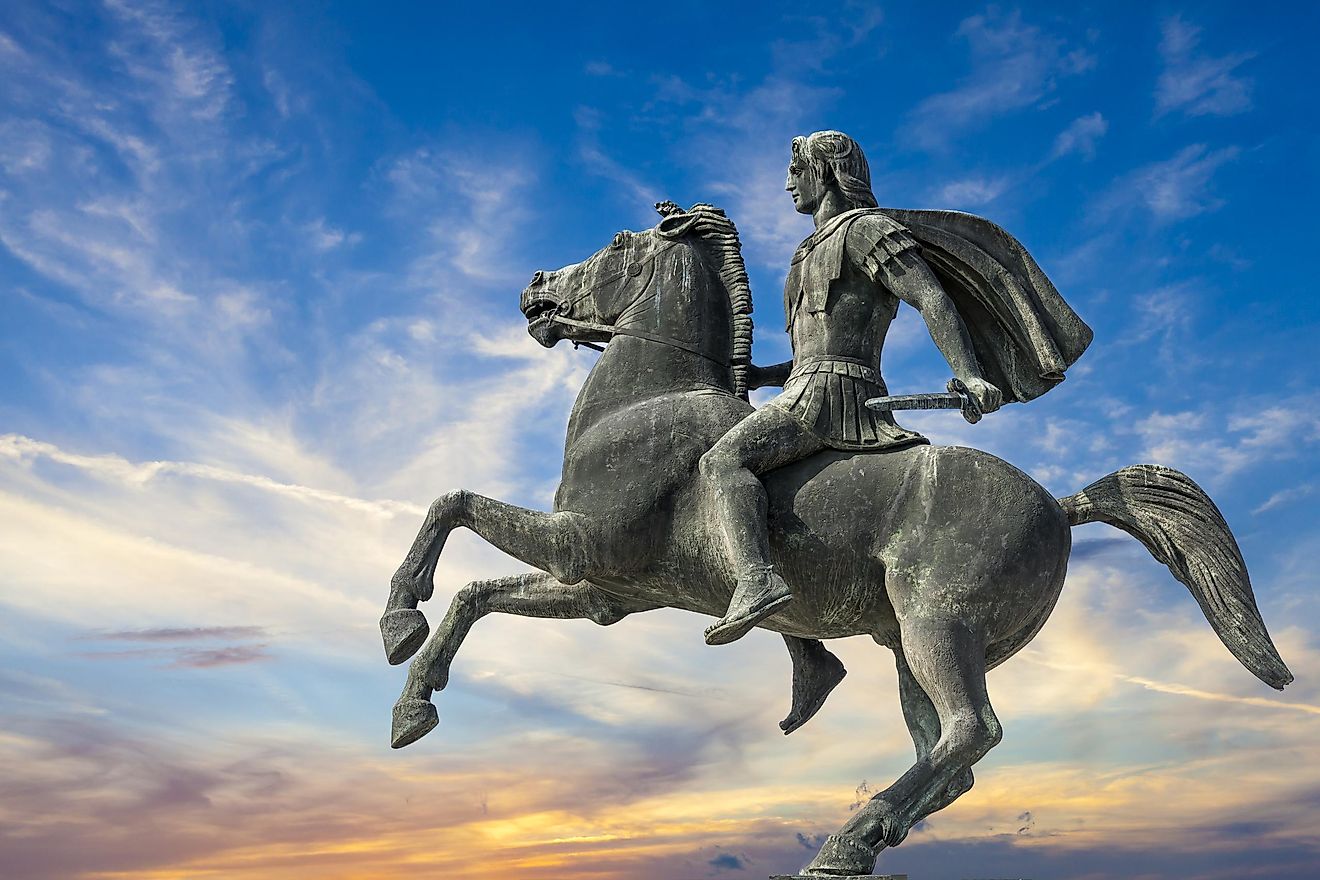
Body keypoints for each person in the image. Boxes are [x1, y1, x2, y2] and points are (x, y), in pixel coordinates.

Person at [700, 130, 1003, 646]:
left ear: (826, 172)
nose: (788, 181)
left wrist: (968, 370)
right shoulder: (804, 252)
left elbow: (930, 297)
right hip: (802, 385)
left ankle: (756, 581)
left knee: (722, 463)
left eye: (798, 170)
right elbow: (807, 353)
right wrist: (762, 376)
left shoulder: (867, 232)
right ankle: (807, 653)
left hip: (834, 398)